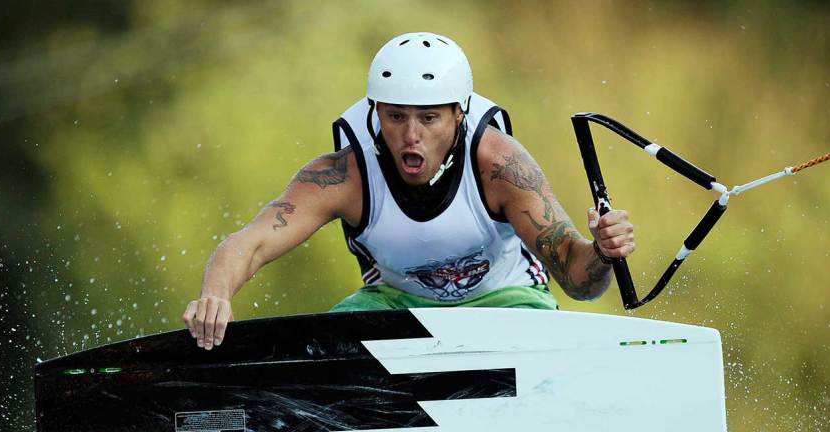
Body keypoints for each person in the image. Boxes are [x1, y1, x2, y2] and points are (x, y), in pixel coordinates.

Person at [183, 32, 635, 349]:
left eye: (429, 118)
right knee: (322, 343)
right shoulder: (343, 175)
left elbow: (579, 281)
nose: (410, 136)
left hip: (506, 300)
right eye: (396, 117)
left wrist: (602, 251)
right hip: (394, 305)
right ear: (377, 111)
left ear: (458, 114)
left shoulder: (502, 166)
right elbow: (250, 243)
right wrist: (215, 295)